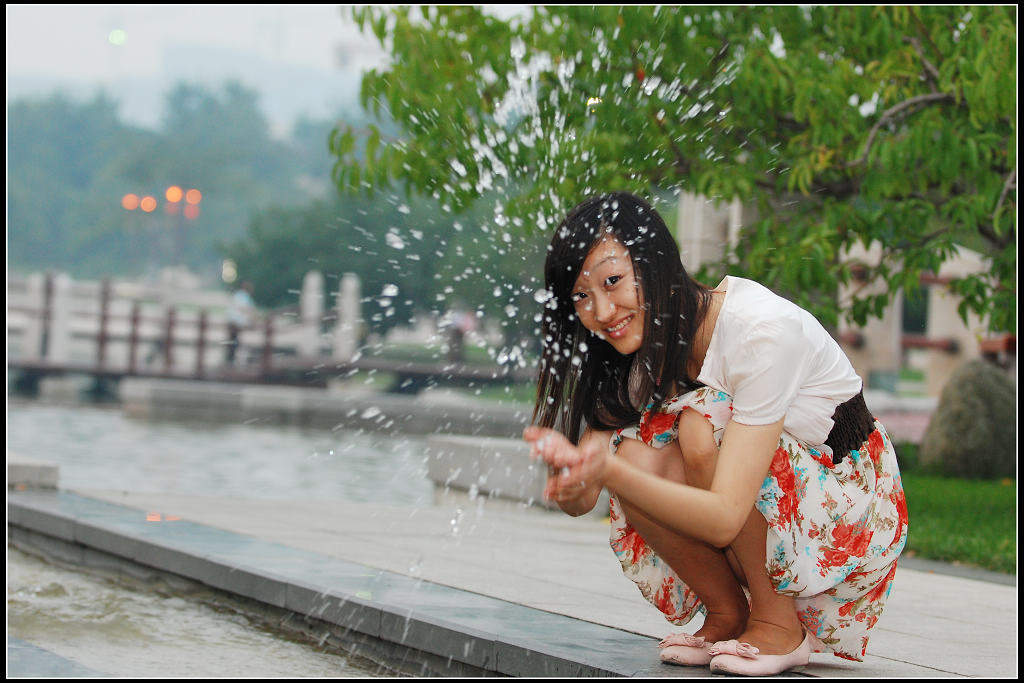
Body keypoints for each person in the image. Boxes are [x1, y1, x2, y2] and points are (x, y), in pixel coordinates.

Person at [523, 191, 908, 676]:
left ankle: (779, 624)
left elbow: (725, 516)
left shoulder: (759, 333)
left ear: (655, 263)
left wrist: (608, 470)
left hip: (849, 506)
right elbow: (584, 492)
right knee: (636, 457)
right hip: (779, 510)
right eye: (581, 296)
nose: (601, 311)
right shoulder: (639, 345)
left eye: (613, 281)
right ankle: (729, 614)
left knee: (698, 426)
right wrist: (579, 475)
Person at [225, 281, 256, 366]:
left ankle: (229, 359)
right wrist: (252, 319)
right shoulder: (244, 296)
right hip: (238, 322)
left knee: (232, 340)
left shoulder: (237, 295)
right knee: (235, 340)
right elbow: (245, 308)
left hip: (232, 321)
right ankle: (231, 360)